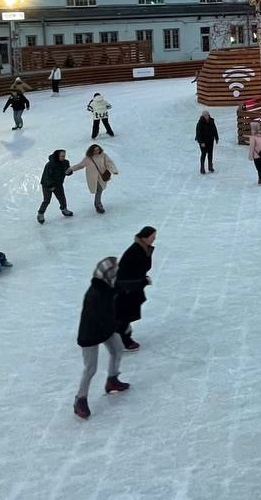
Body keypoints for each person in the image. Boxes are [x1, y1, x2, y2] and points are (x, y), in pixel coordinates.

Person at [74, 256, 130, 420]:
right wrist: (121, 326)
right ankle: (80, 400)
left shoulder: (107, 286)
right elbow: (101, 318)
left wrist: (142, 282)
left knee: (118, 349)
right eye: (115, 272)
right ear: (108, 275)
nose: (117, 274)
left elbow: (121, 286)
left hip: (105, 329)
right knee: (90, 369)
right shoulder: (95, 295)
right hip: (90, 334)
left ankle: (112, 380)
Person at [116, 227, 156, 350]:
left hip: (132, 288)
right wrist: (143, 281)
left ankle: (122, 337)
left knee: (126, 314)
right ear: (144, 238)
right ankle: (124, 341)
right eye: (152, 237)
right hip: (126, 289)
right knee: (124, 315)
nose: (154, 239)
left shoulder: (144, 248)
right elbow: (127, 273)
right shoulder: (135, 251)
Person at [72, 143, 120, 212]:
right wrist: (71, 169)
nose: (97, 151)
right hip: (93, 178)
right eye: (95, 150)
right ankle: (98, 205)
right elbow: (80, 165)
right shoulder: (88, 158)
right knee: (99, 190)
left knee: (100, 190)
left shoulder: (103, 155)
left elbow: (109, 163)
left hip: (102, 176)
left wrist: (114, 170)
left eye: (98, 149)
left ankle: (97, 204)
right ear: (91, 151)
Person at [37, 150, 75, 224]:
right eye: (61, 156)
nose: (63, 157)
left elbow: (67, 171)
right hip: (47, 185)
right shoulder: (50, 164)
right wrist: (50, 186)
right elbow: (47, 176)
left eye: (64, 156)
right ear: (57, 156)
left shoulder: (65, 162)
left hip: (58, 184)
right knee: (46, 200)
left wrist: (69, 172)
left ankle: (64, 210)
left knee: (62, 198)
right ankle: (40, 214)